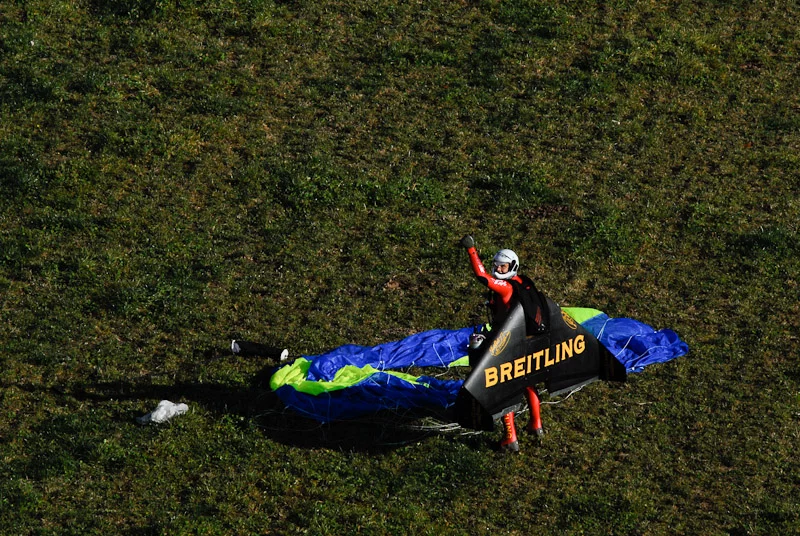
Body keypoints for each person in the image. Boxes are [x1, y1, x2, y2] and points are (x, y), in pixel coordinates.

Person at [460, 234, 545, 453]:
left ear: (512, 266)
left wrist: (471, 250)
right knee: (527, 381)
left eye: (503, 266)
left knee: (502, 386)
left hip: (506, 342)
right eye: (497, 265)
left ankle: (510, 438)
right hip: (525, 339)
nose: (499, 269)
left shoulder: (505, 287)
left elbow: (481, 275)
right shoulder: (522, 283)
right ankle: (536, 425)